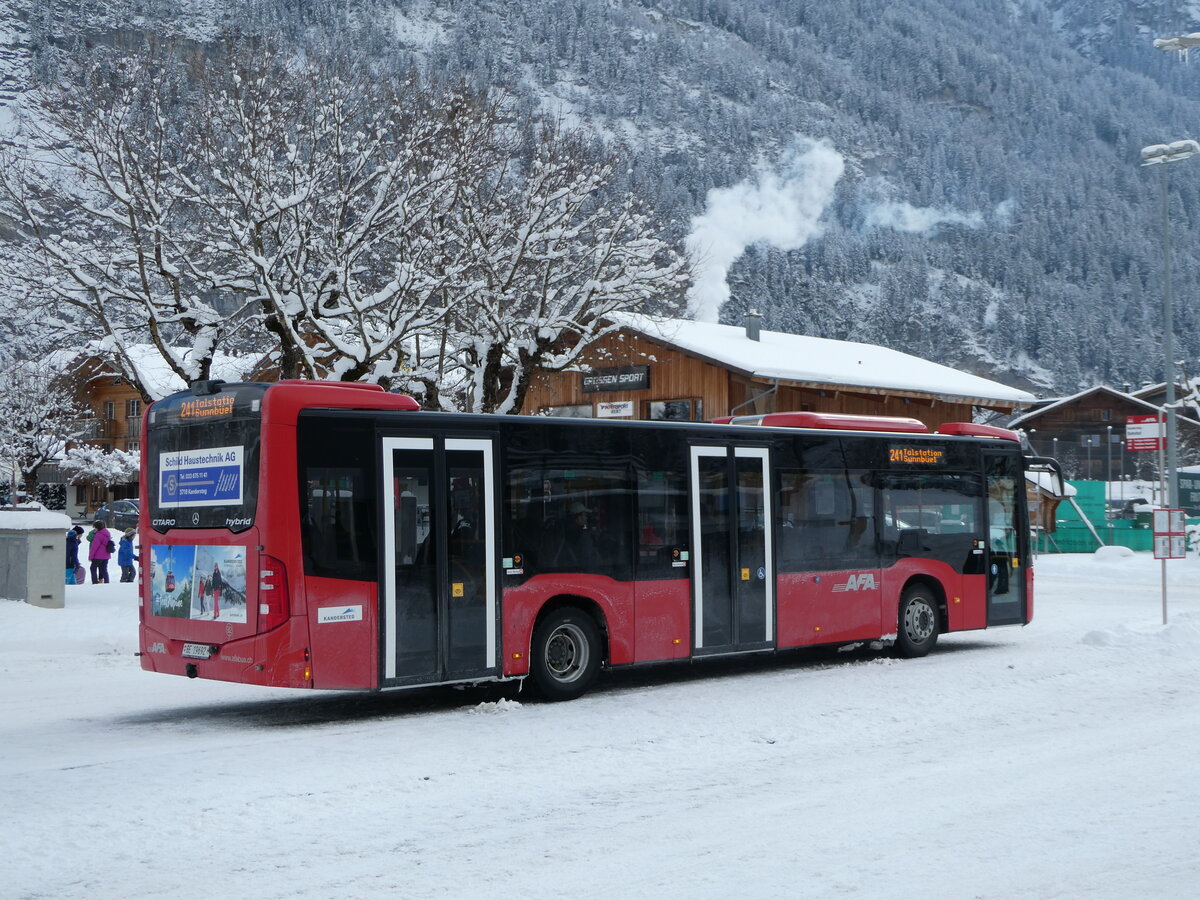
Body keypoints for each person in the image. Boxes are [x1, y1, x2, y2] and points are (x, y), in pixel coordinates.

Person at [87, 519, 113, 584]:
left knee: (93, 568)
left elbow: (94, 547)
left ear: (97, 527)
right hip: (106, 555)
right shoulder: (107, 534)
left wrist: (91, 556)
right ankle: (107, 582)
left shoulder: (98, 535)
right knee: (104, 569)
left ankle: (95, 582)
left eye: (94, 527)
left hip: (98, 556)